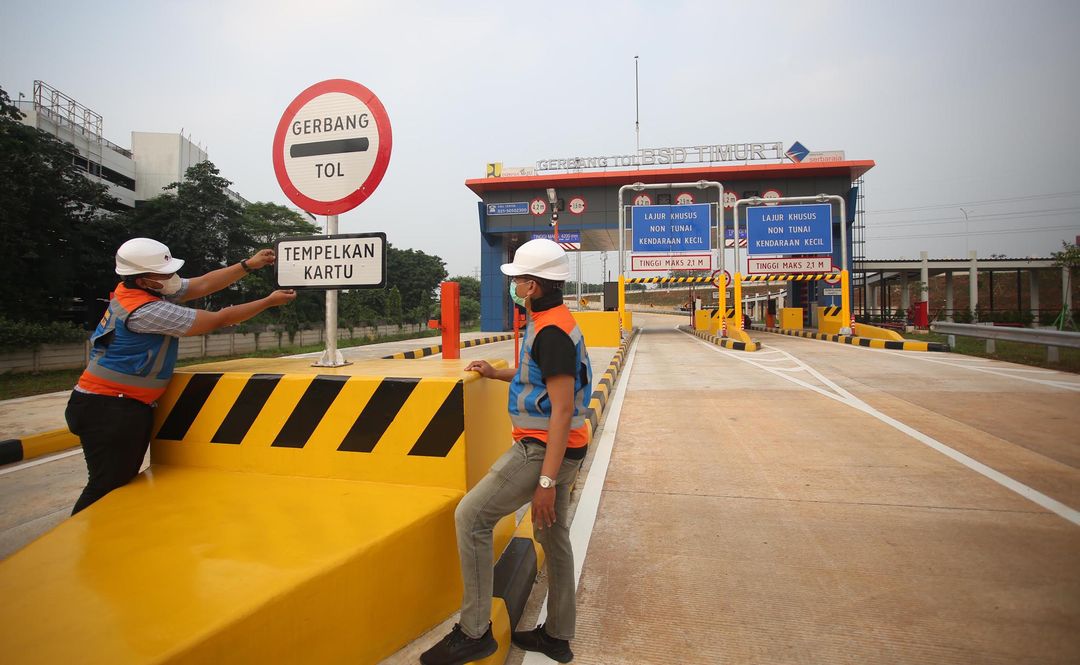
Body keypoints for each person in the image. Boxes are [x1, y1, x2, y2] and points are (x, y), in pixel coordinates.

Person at [421, 239, 592, 665]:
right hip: (567, 446)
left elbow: (563, 405)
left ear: (532, 285)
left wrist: (547, 483)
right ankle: (557, 636)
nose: (513, 285)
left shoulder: (550, 330)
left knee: (471, 516)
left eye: (517, 279)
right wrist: (497, 373)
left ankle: (474, 631)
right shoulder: (554, 321)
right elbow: (546, 377)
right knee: (554, 539)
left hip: (541, 451)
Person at [67, 237, 296, 514]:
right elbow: (218, 319)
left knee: (117, 482)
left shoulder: (139, 292)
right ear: (143, 280)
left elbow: (202, 284)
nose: (172, 277)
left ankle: (99, 540)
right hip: (110, 409)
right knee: (107, 486)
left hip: (114, 405)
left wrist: (248, 265)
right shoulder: (147, 311)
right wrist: (268, 302)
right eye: (164, 274)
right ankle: (82, 541)